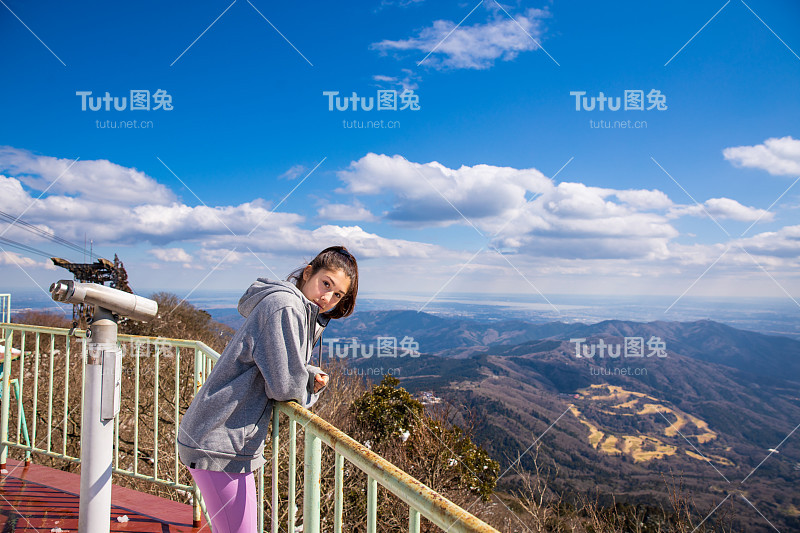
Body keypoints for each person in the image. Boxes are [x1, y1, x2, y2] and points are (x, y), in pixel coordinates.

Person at [177, 246, 358, 533]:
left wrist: (307, 373)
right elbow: (284, 386)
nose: (327, 299)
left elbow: (273, 362)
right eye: (326, 284)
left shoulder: (290, 305)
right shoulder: (285, 307)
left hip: (222, 437)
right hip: (219, 440)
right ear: (308, 272)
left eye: (337, 295)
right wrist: (311, 386)